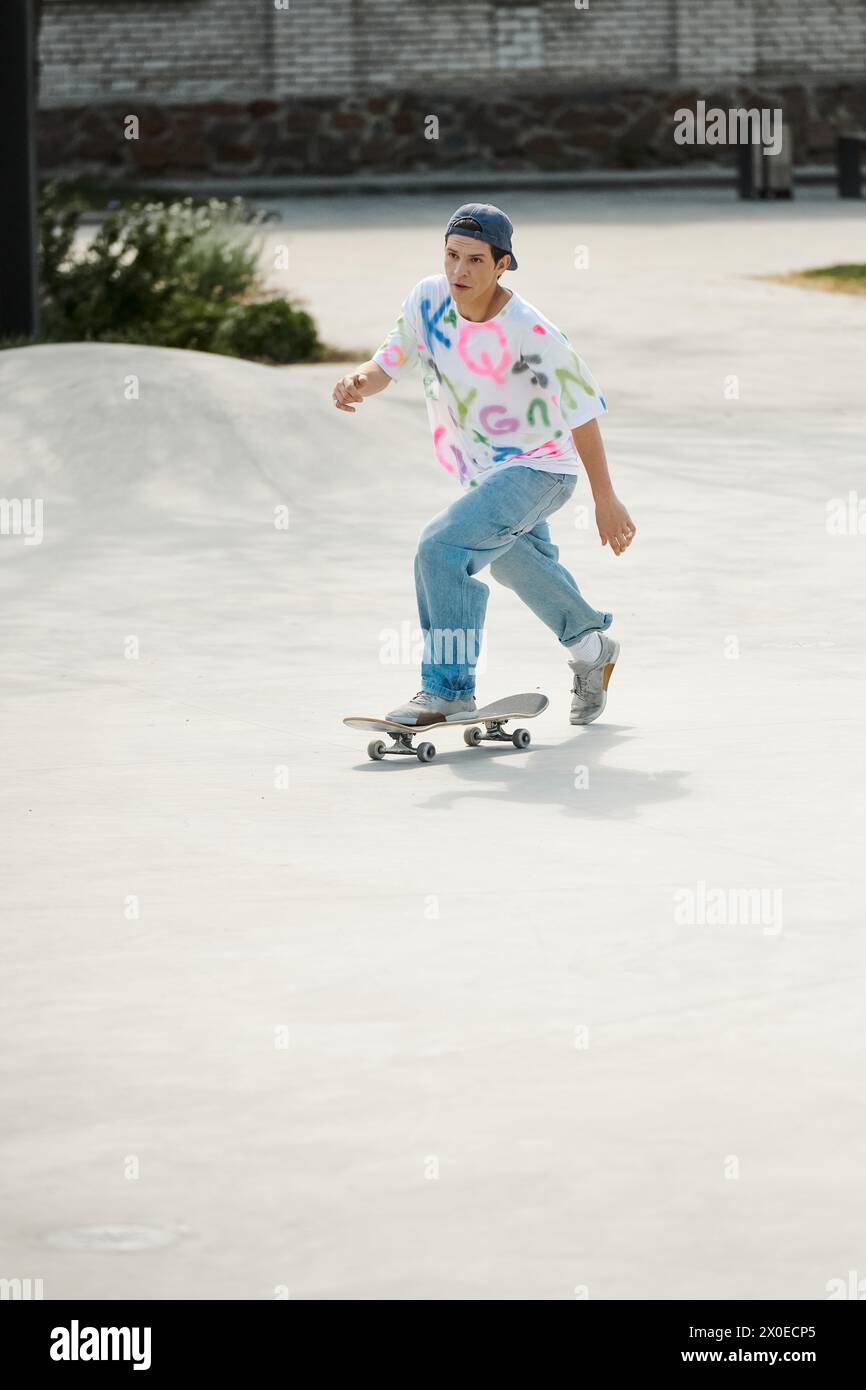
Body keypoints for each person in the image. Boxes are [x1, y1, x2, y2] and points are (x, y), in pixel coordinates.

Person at [331, 202, 635, 727]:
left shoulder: (531, 332)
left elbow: (583, 411)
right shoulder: (427, 301)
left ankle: (448, 690)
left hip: (541, 469)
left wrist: (605, 498)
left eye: (475, 260)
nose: (459, 272)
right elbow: (388, 362)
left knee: (441, 549)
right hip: (484, 472)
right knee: (518, 564)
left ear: (502, 265)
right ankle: (593, 649)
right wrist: (359, 381)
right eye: (451, 256)